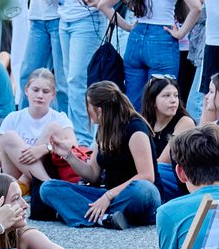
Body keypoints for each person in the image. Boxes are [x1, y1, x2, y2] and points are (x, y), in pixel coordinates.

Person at [39, 81, 160, 229]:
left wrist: (108, 197)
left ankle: (86, 213)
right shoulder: (103, 130)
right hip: (108, 195)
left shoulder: (135, 129)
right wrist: (68, 156)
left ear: (100, 110)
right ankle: (104, 218)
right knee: (48, 187)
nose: (87, 111)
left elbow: (147, 176)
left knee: (142, 189)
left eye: (88, 106)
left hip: (135, 197)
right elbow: (93, 174)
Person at [50, 0, 116, 146]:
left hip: (87, 21)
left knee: (77, 78)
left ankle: (85, 137)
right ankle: (73, 131)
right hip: (65, 17)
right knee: (67, 80)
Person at [0, 68, 74, 181]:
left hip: (46, 172)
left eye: (45, 91)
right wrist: (22, 151)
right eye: (35, 90)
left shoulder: (60, 118)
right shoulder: (13, 118)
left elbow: (73, 145)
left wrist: (45, 149)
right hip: (15, 176)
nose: (40, 95)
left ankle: (31, 183)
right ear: (26, 90)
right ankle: (47, 184)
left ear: (53, 94)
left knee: (53, 127)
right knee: (9, 137)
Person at [140, 75, 195, 170]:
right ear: (153, 101)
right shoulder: (145, 121)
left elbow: (164, 161)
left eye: (176, 95)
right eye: (166, 96)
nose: (173, 100)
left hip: (174, 175)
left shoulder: (185, 122)